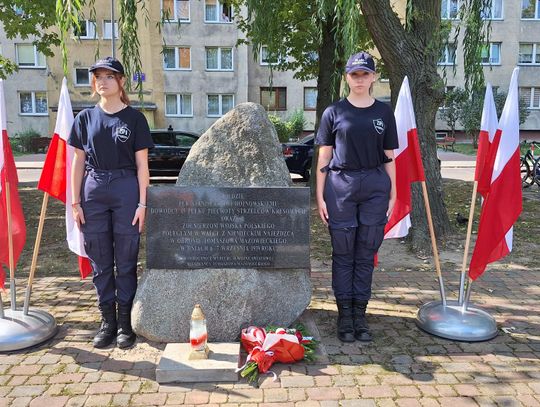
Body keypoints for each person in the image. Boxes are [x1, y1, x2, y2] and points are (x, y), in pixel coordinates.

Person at [68, 57, 154, 349]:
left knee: (126, 260)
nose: (102, 81)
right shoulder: (84, 119)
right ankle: (108, 322)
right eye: (98, 77)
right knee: (101, 261)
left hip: (126, 188)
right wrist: (75, 202)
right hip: (93, 190)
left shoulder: (135, 119)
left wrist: (143, 204)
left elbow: (143, 166)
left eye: (109, 76)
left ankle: (125, 324)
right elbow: (78, 162)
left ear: (121, 82)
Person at [315, 52, 398, 343]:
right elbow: (324, 155)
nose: (359, 79)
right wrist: (320, 196)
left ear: (374, 77)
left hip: (375, 185)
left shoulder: (384, 113)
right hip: (341, 186)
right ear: (347, 78)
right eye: (354, 74)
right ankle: (344, 316)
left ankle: (360, 315)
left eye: (365, 74)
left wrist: (394, 192)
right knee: (343, 251)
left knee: (365, 252)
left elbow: (389, 156)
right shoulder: (334, 112)